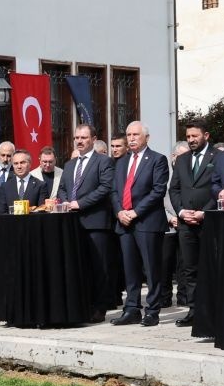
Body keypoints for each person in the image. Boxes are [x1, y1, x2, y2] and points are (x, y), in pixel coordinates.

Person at [111, 121, 171, 326]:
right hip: (124, 222)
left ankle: (152, 310)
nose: (131, 138)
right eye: (128, 135)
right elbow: (114, 191)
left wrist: (135, 212)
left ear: (146, 137)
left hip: (147, 221)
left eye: (136, 134)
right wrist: (119, 211)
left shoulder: (157, 160)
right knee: (130, 269)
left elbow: (157, 191)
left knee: (151, 269)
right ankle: (132, 309)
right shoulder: (120, 162)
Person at [55, 123, 115, 308]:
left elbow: (105, 188)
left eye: (83, 138)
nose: (79, 141)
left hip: (95, 222)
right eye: (76, 138)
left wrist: (80, 204)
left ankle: (100, 307)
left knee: (99, 267)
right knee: (80, 267)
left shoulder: (103, 161)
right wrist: (65, 202)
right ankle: (84, 306)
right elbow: (63, 188)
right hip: (73, 223)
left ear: (93, 139)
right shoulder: (70, 164)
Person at [168, 122, 217, 316]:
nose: (191, 140)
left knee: (211, 266)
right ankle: (194, 310)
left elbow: (218, 187)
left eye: (195, 136)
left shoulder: (219, 157)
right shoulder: (182, 160)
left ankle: (211, 310)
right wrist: (181, 212)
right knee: (189, 268)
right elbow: (174, 189)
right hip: (186, 223)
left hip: (209, 220)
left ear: (206, 135)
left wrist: (204, 211)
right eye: (188, 137)